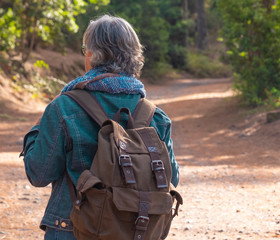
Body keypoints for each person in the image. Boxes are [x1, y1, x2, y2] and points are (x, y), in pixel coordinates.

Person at [20, 15, 179, 240]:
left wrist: (36, 129)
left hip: (72, 228)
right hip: (135, 230)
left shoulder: (64, 107)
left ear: (91, 54)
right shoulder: (155, 115)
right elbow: (172, 178)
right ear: (135, 56)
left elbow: (38, 174)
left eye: (85, 48)